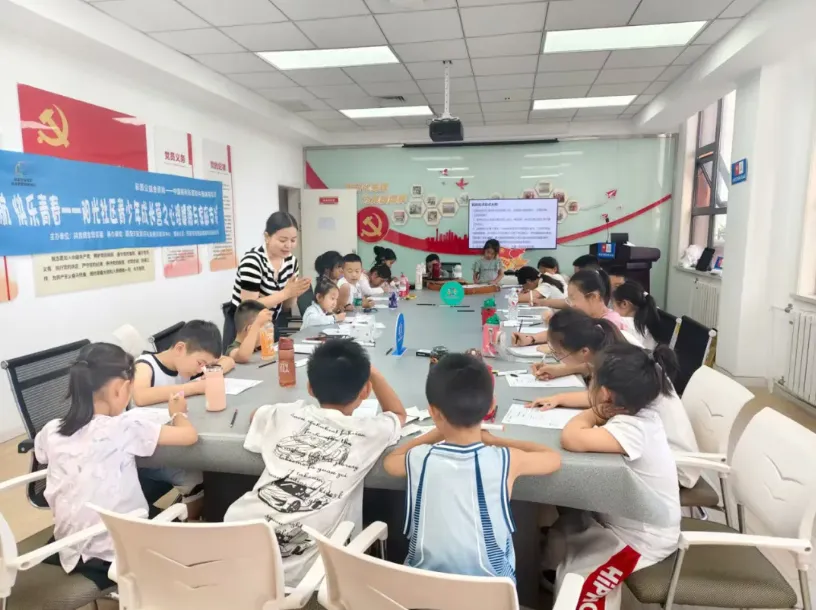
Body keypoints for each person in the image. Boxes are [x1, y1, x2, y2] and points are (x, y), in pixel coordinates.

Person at [224, 340, 407, 585]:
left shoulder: (287, 413)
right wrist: (373, 372)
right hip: (302, 575)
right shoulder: (370, 432)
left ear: (310, 388)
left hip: (234, 539)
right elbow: (398, 414)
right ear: (365, 391)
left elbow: (255, 414)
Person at [34, 343, 198, 589]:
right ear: (119, 389)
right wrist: (178, 413)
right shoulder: (122, 427)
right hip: (115, 551)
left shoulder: (51, 429)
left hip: (68, 546)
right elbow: (189, 436)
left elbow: (42, 454)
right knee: (188, 534)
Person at [383, 353, 561, 579]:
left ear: (433, 412)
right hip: (492, 593)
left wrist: (436, 433)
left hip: (422, 590)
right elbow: (553, 458)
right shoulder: (506, 459)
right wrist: (497, 441)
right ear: (491, 406)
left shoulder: (420, 458)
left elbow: (390, 461)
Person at [549, 344, 682, 610]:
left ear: (607, 394)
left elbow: (571, 438)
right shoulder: (640, 413)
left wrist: (594, 412)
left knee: (578, 591)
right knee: (561, 540)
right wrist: (600, 409)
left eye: (592, 380)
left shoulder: (633, 429)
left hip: (641, 540)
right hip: (623, 519)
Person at [526, 314, 699, 488]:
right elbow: (594, 383)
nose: (559, 358)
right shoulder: (617, 351)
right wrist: (559, 392)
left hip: (675, 464)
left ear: (584, 351)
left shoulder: (621, 368)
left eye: (559, 354)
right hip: (658, 451)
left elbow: (593, 406)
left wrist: (571, 403)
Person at [229, 211, 311, 325]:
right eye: (282, 240)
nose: (288, 245)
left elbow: (286, 306)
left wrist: (294, 293)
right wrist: (286, 293)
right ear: (267, 237)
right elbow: (248, 307)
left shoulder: (291, 262)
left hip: (269, 323)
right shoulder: (253, 261)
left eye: (293, 240)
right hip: (243, 325)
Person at [133, 320, 233, 406]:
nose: (201, 370)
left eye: (206, 365)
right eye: (200, 363)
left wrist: (212, 373)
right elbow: (140, 396)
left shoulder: (190, 360)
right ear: (180, 349)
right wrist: (195, 388)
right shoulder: (145, 365)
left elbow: (228, 361)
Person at [612, 281, 662, 350]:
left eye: (613, 306)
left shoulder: (622, 323)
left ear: (624, 304)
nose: (613, 310)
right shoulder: (647, 323)